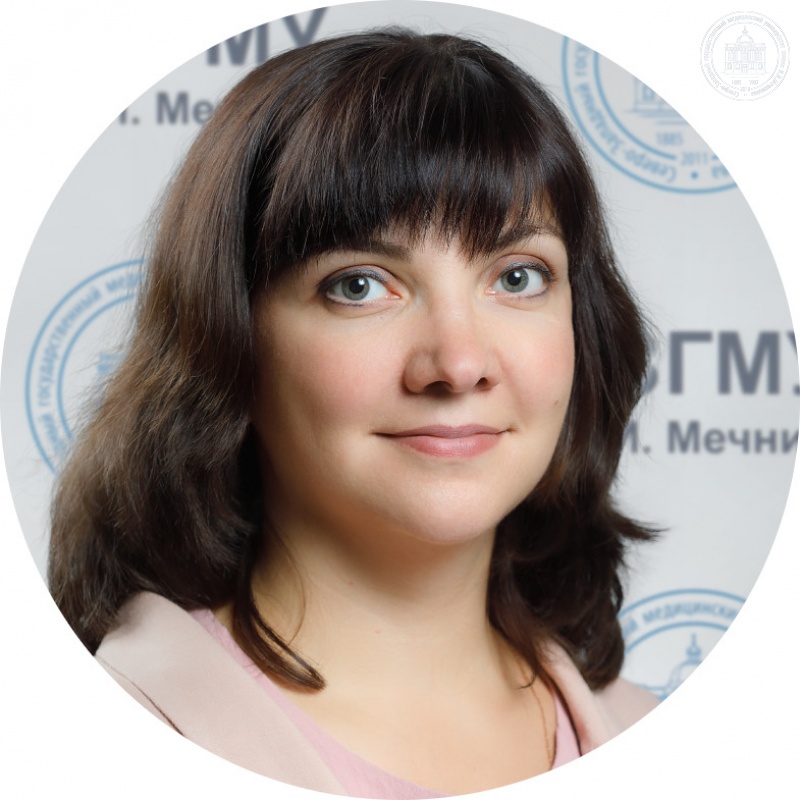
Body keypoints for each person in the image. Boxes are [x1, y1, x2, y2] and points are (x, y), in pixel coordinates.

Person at [48, 29, 658, 797]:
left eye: (518, 277)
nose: (459, 363)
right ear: (228, 337)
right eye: (359, 285)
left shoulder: (653, 736)